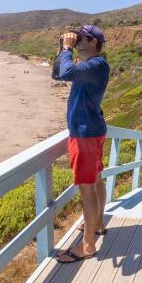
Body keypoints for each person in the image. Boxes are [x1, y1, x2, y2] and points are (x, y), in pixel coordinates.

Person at [56, 25, 110, 263]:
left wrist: (67, 48)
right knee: (96, 178)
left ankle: (88, 246)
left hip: (85, 133)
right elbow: (58, 74)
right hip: (91, 130)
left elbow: (66, 73)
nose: (78, 40)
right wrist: (62, 49)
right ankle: (97, 224)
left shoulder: (97, 64)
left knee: (86, 187)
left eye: (83, 37)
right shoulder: (86, 67)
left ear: (95, 42)